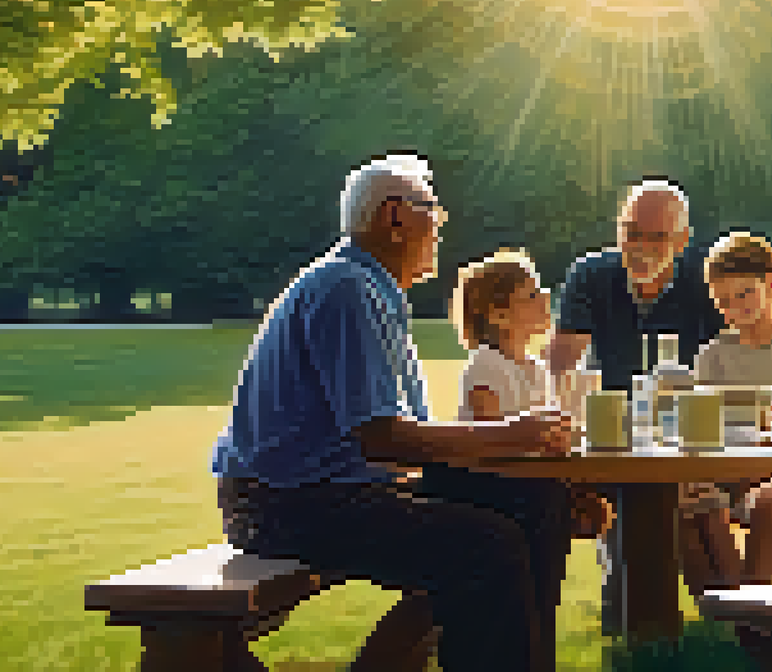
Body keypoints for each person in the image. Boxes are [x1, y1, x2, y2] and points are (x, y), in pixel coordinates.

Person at [212, 154, 573, 672]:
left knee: (538, 503)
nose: (441, 225)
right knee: (488, 548)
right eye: (433, 211)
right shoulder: (346, 289)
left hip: (332, 492)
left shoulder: (369, 289)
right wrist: (510, 435)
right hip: (287, 505)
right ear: (395, 218)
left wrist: (529, 463)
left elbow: (402, 442)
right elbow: (382, 438)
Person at [544, 177, 726, 634]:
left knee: (675, 500)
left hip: (686, 430)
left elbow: (726, 368)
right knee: (620, 496)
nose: (642, 247)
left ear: (682, 241)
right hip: (611, 428)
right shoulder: (590, 275)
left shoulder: (704, 284)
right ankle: (642, 625)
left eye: (657, 237)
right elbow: (563, 366)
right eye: (632, 233)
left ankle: (693, 624)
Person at [682, 231, 772, 596]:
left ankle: (747, 604)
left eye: (745, 293)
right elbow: (696, 428)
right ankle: (736, 610)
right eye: (724, 301)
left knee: (770, 497)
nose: (735, 307)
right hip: (725, 474)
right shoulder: (712, 355)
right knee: (692, 502)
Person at [452, 249, 613, 540]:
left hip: (536, 493)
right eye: (531, 295)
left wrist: (577, 489)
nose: (546, 297)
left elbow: (549, 439)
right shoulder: (486, 365)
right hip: (498, 498)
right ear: (499, 315)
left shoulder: (537, 368)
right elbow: (488, 438)